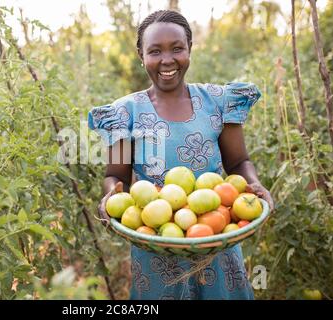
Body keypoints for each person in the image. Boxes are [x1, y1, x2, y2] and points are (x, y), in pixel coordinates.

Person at [88, 10, 274, 300]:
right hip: (155, 238)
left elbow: (238, 162)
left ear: (190, 49)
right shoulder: (125, 112)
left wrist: (253, 183)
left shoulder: (217, 101)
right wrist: (112, 194)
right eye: (155, 51)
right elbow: (116, 175)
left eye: (177, 48)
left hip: (215, 235)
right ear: (141, 55)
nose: (167, 60)